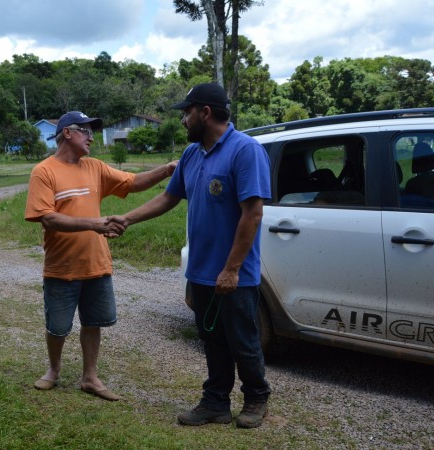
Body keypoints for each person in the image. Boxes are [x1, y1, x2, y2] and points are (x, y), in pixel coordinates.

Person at [107, 83, 272, 428]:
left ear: (205, 113)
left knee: (243, 341)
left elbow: (252, 214)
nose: (183, 120)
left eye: (187, 112)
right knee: (212, 341)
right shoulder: (191, 154)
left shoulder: (245, 151)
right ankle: (216, 403)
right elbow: (169, 198)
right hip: (200, 271)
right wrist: (127, 218)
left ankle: (256, 398)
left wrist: (231, 269)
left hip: (233, 274)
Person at [24, 111, 177, 401]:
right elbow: (47, 218)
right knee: (57, 326)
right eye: (86, 131)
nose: (92, 137)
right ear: (67, 133)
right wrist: (95, 223)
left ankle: (90, 377)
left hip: (97, 263)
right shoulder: (44, 171)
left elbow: (132, 182)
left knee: (93, 322)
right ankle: (53, 371)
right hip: (61, 266)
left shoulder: (95, 166)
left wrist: (166, 169)